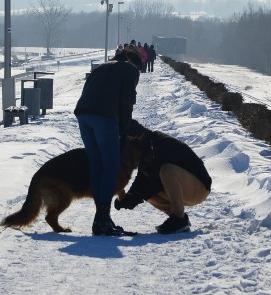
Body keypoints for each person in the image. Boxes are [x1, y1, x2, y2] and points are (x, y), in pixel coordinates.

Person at [74, 48, 142, 236]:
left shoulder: (101, 68)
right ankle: (102, 220)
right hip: (104, 118)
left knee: (97, 166)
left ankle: (101, 219)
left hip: (83, 115)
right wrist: (124, 132)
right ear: (135, 63)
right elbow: (127, 102)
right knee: (111, 168)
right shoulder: (130, 69)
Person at [115, 120, 212, 234]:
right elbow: (142, 177)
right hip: (185, 188)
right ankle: (179, 220)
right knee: (147, 192)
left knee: (166, 170)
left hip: (200, 188)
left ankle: (178, 218)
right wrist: (128, 197)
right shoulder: (145, 148)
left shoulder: (163, 144)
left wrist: (136, 198)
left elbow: (156, 183)